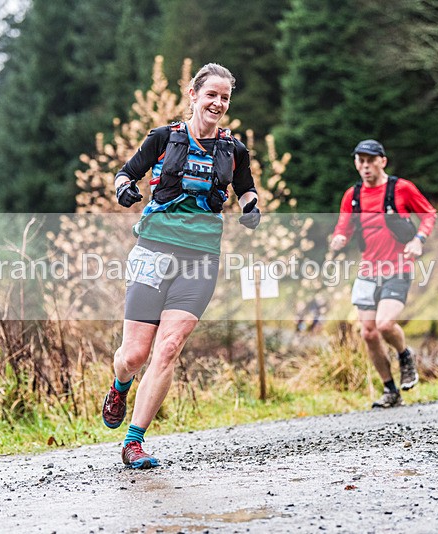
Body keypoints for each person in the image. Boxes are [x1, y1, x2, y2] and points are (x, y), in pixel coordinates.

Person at [101, 63, 261, 469]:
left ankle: (134, 442)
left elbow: (246, 189)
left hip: (201, 258)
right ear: (193, 94)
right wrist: (124, 190)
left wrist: (251, 208)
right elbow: (125, 174)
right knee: (134, 355)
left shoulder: (234, 150)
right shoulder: (163, 137)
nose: (218, 103)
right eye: (211, 95)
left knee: (169, 347)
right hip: (154, 251)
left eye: (225, 98)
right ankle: (119, 385)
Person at [330, 139, 437, 408]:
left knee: (385, 324)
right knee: (368, 333)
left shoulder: (402, 189)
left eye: (371, 161)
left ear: (383, 161)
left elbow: (428, 214)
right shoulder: (352, 196)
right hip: (368, 270)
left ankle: (405, 354)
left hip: (398, 267)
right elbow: (344, 226)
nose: (365, 166)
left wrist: (419, 240)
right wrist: (339, 238)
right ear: (356, 163)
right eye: (361, 161)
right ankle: (390, 390)